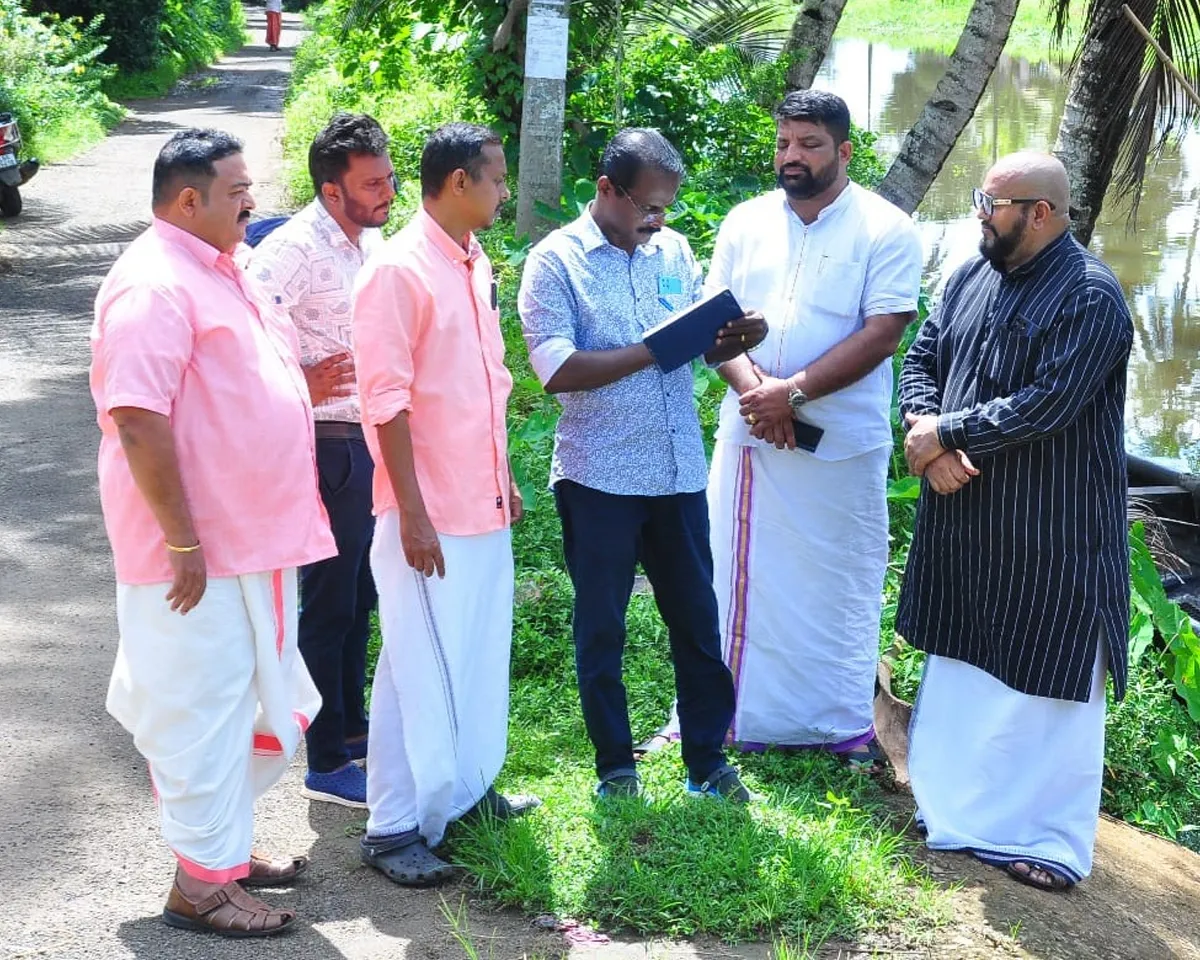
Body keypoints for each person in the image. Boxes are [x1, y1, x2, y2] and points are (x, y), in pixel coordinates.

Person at [90, 128, 336, 937]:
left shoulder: (219, 270)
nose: (252, 202)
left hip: (255, 538)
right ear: (188, 199)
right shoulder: (154, 284)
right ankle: (199, 887)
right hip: (196, 551)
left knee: (246, 700)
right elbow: (135, 417)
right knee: (200, 706)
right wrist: (184, 543)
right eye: (237, 191)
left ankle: (221, 851)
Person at [898, 151, 1133, 892]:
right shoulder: (971, 273)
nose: (978, 212)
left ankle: (1047, 840)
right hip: (968, 516)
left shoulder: (1092, 297)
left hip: (1051, 531)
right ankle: (954, 814)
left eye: (992, 202)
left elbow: (1047, 404)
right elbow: (923, 356)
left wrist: (948, 435)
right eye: (979, 197)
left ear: (1040, 213)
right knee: (966, 658)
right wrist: (922, 431)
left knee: (1045, 680)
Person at [518, 128, 766, 801]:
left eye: (665, 209)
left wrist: (735, 341)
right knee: (602, 627)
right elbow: (557, 369)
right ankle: (615, 770)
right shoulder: (554, 262)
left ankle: (707, 762)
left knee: (695, 619)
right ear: (606, 190)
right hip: (598, 475)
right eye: (646, 208)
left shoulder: (674, 251)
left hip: (678, 470)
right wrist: (653, 350)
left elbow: (700, 343)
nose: (657, 223)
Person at [705, 90, 922, 766]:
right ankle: (727, 717)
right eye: (784, 143)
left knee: (838, 584)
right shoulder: (745, 222)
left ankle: (837, 727)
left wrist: (790, 393)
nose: (791, 157)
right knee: (737, 578)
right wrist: (758, 396)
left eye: (809, 144)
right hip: (751, 438)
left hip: (842, 447)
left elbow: (884, 332)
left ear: (844, 151)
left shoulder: (886, 229)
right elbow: (713, 325)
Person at [353, 121, 536, 886]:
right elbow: (385, 404)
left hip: (481, 502)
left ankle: (463, 791)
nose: (504, 190)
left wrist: (506, 479)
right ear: (459, 182)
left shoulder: (470, 260)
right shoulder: (399, 271)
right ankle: (393, 827)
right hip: (425, 513)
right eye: (496, 178)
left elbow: (478, 387)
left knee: (473, 652)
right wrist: (414, 512)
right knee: (415, 665)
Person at [251, 113, 395, 809]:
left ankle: (354, 729)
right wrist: (296, 383)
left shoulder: (367, 242)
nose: (388, 191)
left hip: (367, 441)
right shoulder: (290, 251)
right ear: (332, 191)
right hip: (326, 444)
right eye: (372, 183)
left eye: (389, 177)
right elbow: (240, 340)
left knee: (362, 598)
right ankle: (326, 758)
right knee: (330, 602)